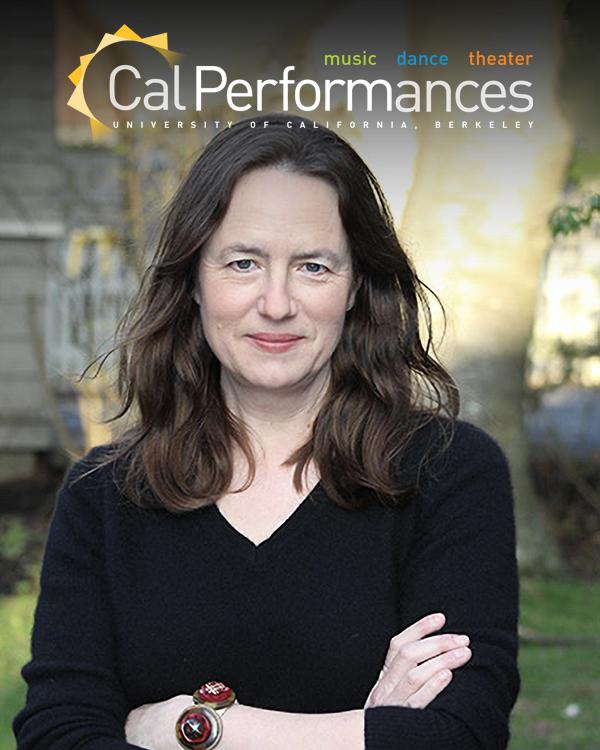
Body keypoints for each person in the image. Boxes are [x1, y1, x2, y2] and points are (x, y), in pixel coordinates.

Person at [14, 114, 519, 750]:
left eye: (313, 266)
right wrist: (366, 731)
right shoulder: (103, 496)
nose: (277, 303)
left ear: (356, 285)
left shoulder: (448, 473)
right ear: (194, 280)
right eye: (243, 262)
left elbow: (459, 734)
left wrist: (190, 728)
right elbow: (58, 732)